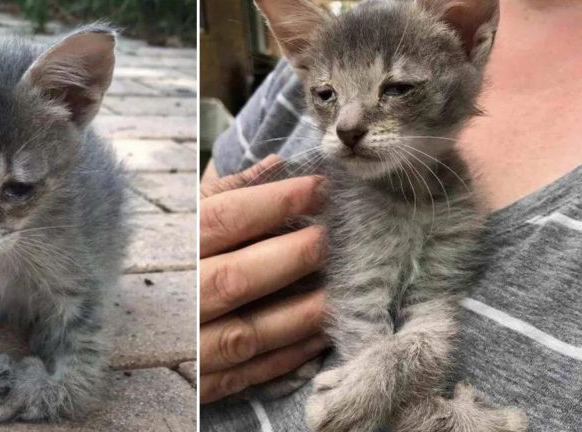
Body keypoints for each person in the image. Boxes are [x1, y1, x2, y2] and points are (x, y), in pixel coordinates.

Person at [199, 0, 582, 430]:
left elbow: (430, 313)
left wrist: (406, 393)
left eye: (397, 88)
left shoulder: (454, 191)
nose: (347, 124)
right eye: (326, 95)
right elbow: (361, 318)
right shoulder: (329, 77)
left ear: (470, 37)